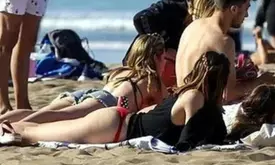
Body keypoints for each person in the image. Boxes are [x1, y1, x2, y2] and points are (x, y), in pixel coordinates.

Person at [0, 52, 232, 151]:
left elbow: (217, 134)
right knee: (33, 134)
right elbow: (186, 142)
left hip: (117, 123)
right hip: (115, 126)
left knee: (39, 130)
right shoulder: (194, 97)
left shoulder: (202, 101)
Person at [0, 34, 168, 124]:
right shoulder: (151, 80)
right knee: (57, 116)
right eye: (163, 57)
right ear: (156, 57)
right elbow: (156, 110)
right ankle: (12, 128)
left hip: (87, 94)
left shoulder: (124, 71)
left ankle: (5, 121)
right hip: (103, 102)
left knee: (42, 113)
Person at [176, 0, 266, 104]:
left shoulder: (193, 26)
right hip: (201, 109)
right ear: (234, 9)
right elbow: (228, 94)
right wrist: (261, 81)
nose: (246, 16)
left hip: (181, 101)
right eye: (246, 9)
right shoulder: (224, 41)